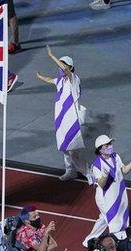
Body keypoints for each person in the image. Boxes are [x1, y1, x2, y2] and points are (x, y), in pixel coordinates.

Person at [36, 46, 92, 183]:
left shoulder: (74, 79)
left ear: (70, 68)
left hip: (72, 119)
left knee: (73, 149)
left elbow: (65, 70)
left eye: (63, 65)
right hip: (61, 119)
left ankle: (89, 173)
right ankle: (70, 171)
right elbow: (50, 80)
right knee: (65, 148)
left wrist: (52, 56)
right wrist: (40, 76)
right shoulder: (61, 81)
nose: (60, 68)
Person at [82, 135, 131, 247]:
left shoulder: (116, 157)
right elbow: (101, 184)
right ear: (100, 149)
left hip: (115, 193)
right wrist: (105, 174)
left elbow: (124, 171)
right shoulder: (97, 165)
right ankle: (123, 242)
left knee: (105, 218)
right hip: (104, 197)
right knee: (115, 219)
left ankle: (89, 241)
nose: (110, 146)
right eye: (107, 145)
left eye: (110, 143)